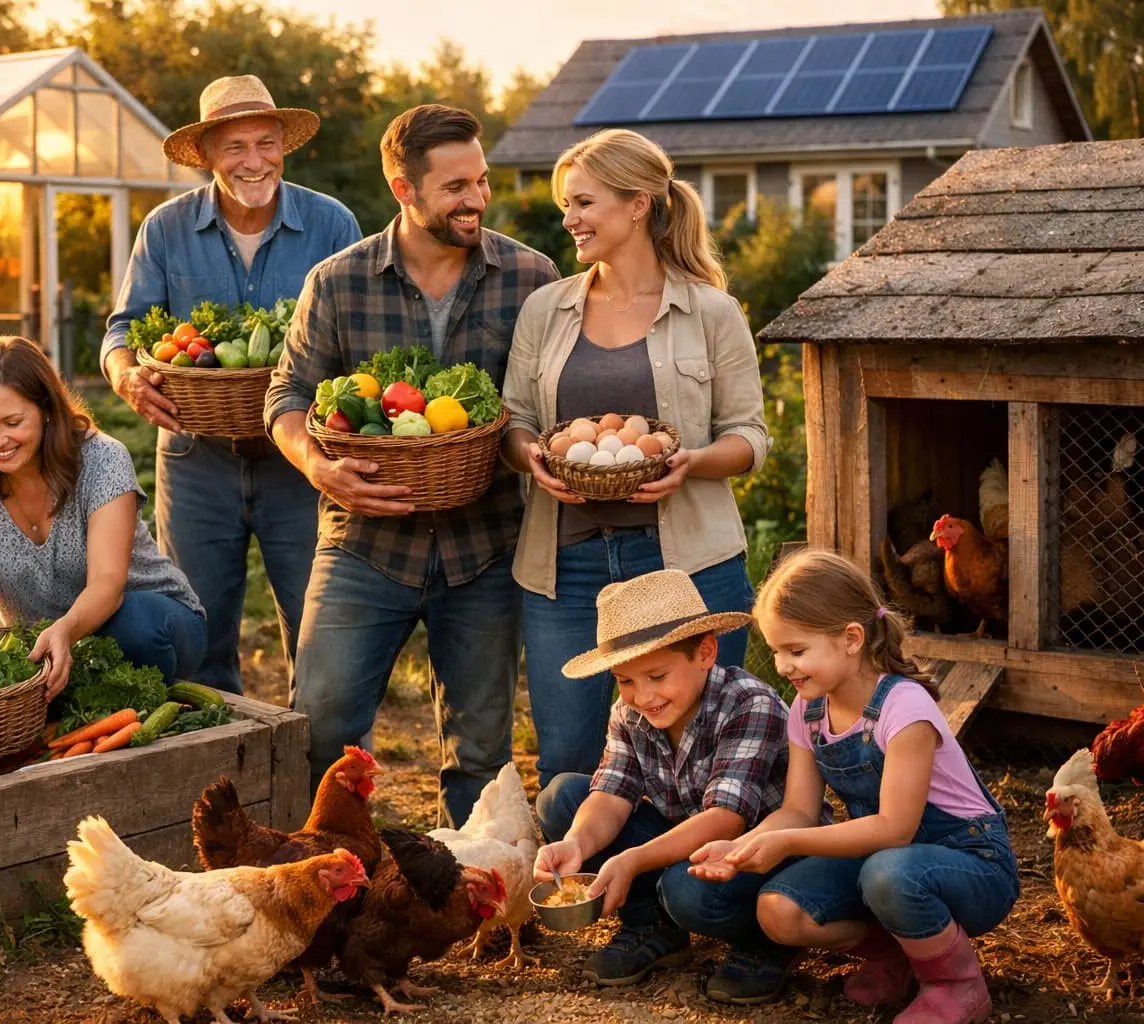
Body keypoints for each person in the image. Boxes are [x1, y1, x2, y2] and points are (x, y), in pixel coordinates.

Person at [266, 103, 560, 828]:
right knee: (323, 723)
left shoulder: (531, 276)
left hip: (485, 543)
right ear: (405, 189)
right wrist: (316, 465)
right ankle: (334, 875)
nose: (476, 200)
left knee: (484, 748)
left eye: (482, 181)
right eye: (456, 186)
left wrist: (529, 448)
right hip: (364, 543)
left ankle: (469, 893)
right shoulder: (340, 281)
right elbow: (287, 393)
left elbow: (543, 402)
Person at [501, 128, 770, 790]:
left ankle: (674, 890)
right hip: (566, 567)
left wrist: (693, 462)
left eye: (585, 203)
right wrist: (531, 458)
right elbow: (516, 420)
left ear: (639, 204)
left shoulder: (710, 312)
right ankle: (593, 887)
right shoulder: (546, 310)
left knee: (699, 759)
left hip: (687, 564)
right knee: (567, 761)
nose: (570, 220)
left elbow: (751, 436)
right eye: (569, 205)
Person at [100, 74, 362, 696]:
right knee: (200, 633)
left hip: (301, 461)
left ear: (283, 146)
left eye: (265, 144)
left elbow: (361, 341)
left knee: (319, 632)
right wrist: (127, 376)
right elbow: (122, 329)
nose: (253, 161)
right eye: (235, 147)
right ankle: (221, 779)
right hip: (196, 463)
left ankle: (322, 777)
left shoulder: (331, 224)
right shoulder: (165, 229)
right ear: (208, 154)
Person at [681, 549, 1019, 1023]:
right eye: (776, 651)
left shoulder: (904, 708)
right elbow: (799, 809)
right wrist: (741, 847)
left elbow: (895, 829)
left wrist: (785, 843)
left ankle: (957, 985)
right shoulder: (808, 710)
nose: (782, 666)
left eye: (796, 651)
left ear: (851, 639)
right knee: (778, 911)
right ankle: (896, 954)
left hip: (971, 864)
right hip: (881, 860)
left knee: (890, 874)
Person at [533, 569, 801, 1001]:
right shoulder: (630, 711)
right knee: (563, 798)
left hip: (759, 854)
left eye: (657, 676)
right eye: (625, 680)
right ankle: (654, 927)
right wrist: (578, 844)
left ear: (706, 652)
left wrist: (633, 860)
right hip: (685, 836)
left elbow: (726, 820)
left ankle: (764, 942)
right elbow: (611, 792)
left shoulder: (748, 703)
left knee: (687, 890)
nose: (642, 695)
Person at [0, 337, 206, 696]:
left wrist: (65, 630)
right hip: (41, 651)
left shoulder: (101, 459)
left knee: (135, 626)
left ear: (46, 409)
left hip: (153, 622)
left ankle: (139, 699)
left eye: (12, 422)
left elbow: (108, 583)